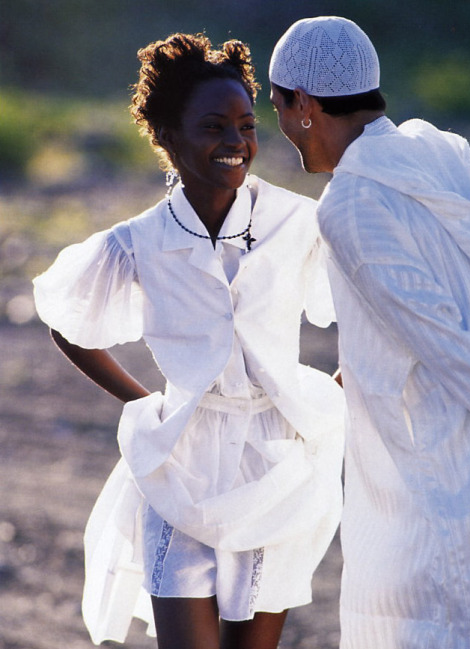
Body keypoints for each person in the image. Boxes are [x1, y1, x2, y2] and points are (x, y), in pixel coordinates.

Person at [33, 32, 345, 649]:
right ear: (167, 137)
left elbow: (366, 305)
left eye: (246, 125)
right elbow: (67, 324)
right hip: (179, 465)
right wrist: (139, 401)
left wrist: (340, 389)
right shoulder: (137, 241)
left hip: (276, 463)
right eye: (213, 126)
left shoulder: (298, 222)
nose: (235, 142)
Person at [269, 15, 470, 649]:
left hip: (443, 473)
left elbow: (454, 350)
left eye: (278, 105)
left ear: (306, 106)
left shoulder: (350, 205)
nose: (281, 126)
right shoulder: (435, 155)